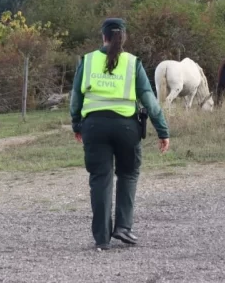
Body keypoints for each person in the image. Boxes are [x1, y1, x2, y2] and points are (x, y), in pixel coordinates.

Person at [70, 17, 170, 251]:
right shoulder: (133, 63)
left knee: (100, 179)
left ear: (102, 37)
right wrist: (162, 130)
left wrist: (76, 124)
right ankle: (123, 228)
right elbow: (149, 100)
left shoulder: (88, 60)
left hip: (94, 126)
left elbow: (75, 97)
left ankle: (102, 238)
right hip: (126, 127)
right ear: (123, 38)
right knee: (128, 174)